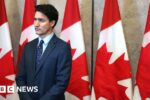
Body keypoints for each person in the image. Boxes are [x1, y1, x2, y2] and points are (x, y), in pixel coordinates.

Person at [16, 4, 72, 100]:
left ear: (52, 23)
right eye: (35, 19)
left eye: (41, 20)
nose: (36, 24)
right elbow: (20, 78)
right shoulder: (28, 47)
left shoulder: (63, 48)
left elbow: (61, 83)